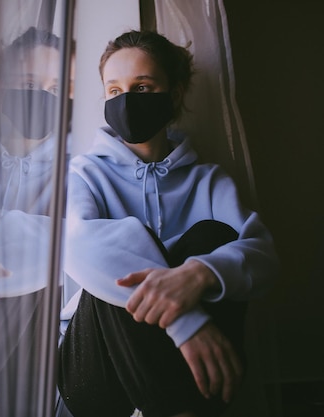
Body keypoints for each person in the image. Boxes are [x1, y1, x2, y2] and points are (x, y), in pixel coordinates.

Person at [57, 30, 279, 417]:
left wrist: (199, 273)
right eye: (114, 90)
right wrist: (184, 321)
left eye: (142, 88)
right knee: (111, 264)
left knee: (215, 236)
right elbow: (78, 243)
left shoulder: (207, 180)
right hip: (96, 372)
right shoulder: (85, 172)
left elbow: (262, 255)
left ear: (174, 94)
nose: (125, 100)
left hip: (193, 370)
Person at [0, 26, 67, 417]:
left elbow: (70, 242)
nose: (41, 98)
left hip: (37, 329)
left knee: (42, 278)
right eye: (29, 83)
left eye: (54, 88)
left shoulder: (74, 163)